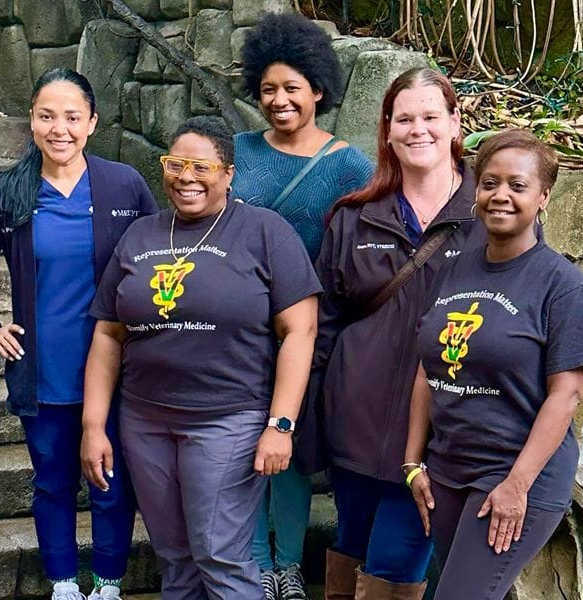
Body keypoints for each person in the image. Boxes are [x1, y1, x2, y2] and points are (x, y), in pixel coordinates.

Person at [81, 115, 321, 600]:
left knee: (220, 555)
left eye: (201, 166)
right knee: (175, 558)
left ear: (229, 173)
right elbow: (108, 332)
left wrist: (281, 425)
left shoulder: (263, 231)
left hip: (226, 420)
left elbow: (301, 330)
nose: (186, 177)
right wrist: (93, 425)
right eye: (175, 164)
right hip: (145, 421)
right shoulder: (142, 236)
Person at [0, 68, 158, 600]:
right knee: (52, 483)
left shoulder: (124, 185)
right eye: (47, 116)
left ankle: (109, 582)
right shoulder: (12, 191)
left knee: (112, 483)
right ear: (32, 121)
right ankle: (64, 583)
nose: (59, 128)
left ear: (92, 122)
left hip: (118, 368)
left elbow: (161, 258)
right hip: (44, 368)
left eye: (71, 117)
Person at [404, 129, 583, 599]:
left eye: (517, 186)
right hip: (448, 472)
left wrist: (517, 486)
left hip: (517, 477)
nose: (500, 195)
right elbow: (426, 371)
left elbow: (567, 395)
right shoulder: (456, 269)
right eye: (490, 183)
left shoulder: (563, 284)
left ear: (542, 198)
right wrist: (413, 461)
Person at [311, 67, 487, 600]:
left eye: (432, 117)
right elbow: (321, 325)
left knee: (395, 563)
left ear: (456, 123)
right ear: (386, 129)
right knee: (352, 545)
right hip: (355, 426)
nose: (418, 130)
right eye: (403, 118)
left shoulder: (490, 217)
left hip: (442, 435)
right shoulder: (355, 218)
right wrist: (308, 424)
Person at [232, 12, 373, 600]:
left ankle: (286, 568)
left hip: (312, 330)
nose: (280, 99)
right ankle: (251, 562)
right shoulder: (236, 150)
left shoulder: (350, 165)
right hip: (237, 329)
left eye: (292, 87)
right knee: (239, 445)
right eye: (268, 89)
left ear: (318, 88)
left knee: (285, 447)